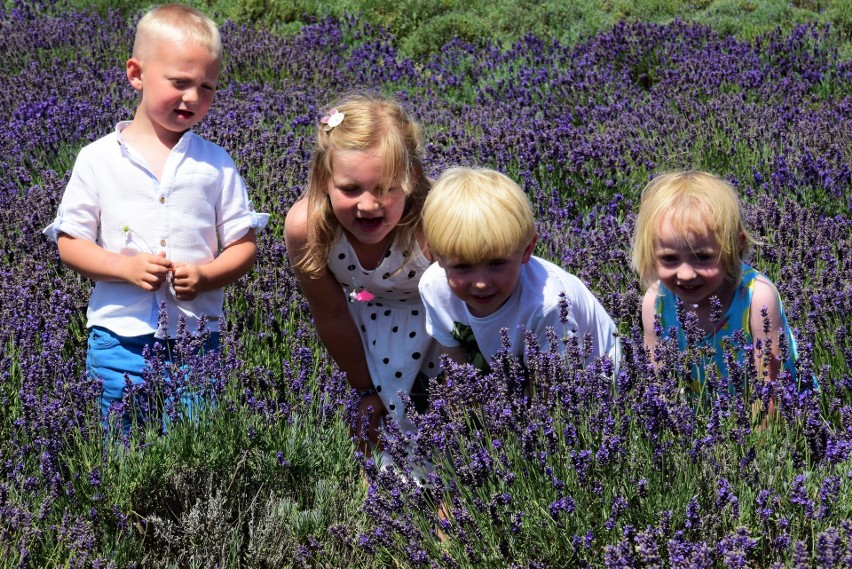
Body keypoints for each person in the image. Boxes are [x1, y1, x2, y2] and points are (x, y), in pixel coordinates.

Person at [43, 4, 268, 431]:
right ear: (136, 74)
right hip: (118, 340)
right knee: (123, 447)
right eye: (180, 82)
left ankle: (188, 503)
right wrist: (123, 267)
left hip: (196, 342)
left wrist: (206, 276)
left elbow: (243, 246)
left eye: (207, 87)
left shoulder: (216, 164)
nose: (193, 97)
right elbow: (70, 241)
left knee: (195, 448)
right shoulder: (98, 159)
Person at [284, 92, 443, 451]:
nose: (368, 204)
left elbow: (472, 307)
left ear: (412, 178)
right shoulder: (306, 228)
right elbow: (332, 314)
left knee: (452, 451)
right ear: (325, 179)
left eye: (386, 188)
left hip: (443, 335)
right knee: (370, 448)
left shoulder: (432, 225)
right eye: (350, 188)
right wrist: (365, 390)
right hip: (364, 342)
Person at [418, 167, 620, 382]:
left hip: (588, 381)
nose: (481, 283)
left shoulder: (548, 306)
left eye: (496, 263)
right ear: (436, 255)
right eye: (463, 267)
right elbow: (457, 365)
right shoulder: (433, 288)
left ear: (527, 250)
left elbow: (550, 391)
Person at [631, 170, 800, 393]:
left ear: (736, 246)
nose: (686, 274)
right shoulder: (656, 302)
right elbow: (658, 386)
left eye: (702, 257)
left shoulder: (756, 298)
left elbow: (768, 390)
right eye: (669, 259)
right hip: (700, 417)